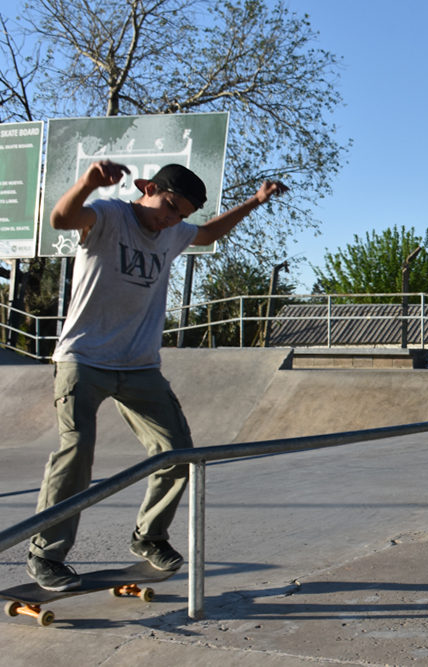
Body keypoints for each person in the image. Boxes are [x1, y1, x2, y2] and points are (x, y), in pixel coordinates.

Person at [26, 161, 287, 591]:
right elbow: (60, 219)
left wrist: (256, 201)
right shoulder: (109, 215)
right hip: (84, 359)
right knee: (76, 452)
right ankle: (45, 554)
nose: (170, 220)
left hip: (140, 366)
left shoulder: (175, 232)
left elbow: (209, 233)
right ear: (147, 188)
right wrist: (88, 183)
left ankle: (149, 536)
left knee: (178, 452)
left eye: (180, 215)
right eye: (168, 207)